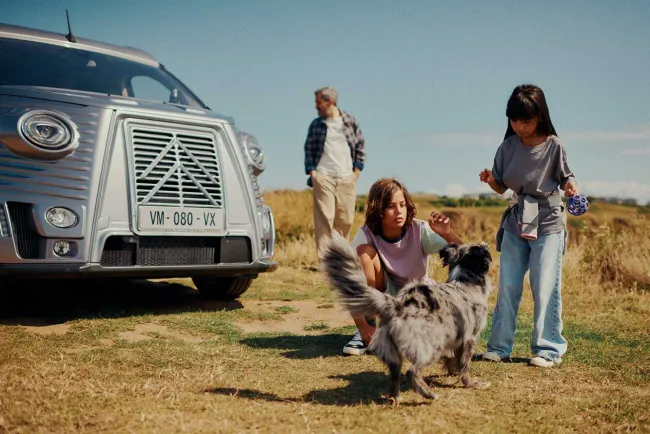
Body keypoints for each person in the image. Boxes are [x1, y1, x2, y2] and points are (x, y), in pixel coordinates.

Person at [479, 84, 578, 368]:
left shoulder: (554, 145)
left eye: (526, 120)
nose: (520, 126)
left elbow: (567, 178)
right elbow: (500, 186)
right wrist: (490, 180)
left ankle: (548, 349)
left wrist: (571, 186)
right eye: (514, 120)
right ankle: (499, 346)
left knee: (544, 285)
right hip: (516, 219)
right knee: (508, 284)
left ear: (540, 116)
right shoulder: (507, 147)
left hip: (548, 220)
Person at [342, 178, 464, 355]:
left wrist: (448, 234)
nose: (399, 211)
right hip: (387, 295)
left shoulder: (419, 229)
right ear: (379, 209)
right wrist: (361, 327)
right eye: (391, 206)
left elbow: (464, 256)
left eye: (402, 205)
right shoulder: (366, 233)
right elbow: (349, 283)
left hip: (419, 295)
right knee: (364, 253)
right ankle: (368, 330)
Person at [304, 87, 365, 254]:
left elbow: (360, 147)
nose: (316, 106)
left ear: (329, 101)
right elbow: (309, 149)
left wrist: (356, 173)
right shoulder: (316, 125)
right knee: (325, 220)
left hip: (347, 178)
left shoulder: (350, 121)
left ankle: (339, 259)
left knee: (345, 220)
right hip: (324, 176)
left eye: (318, 102)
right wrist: (313, 173)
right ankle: (324, 262)